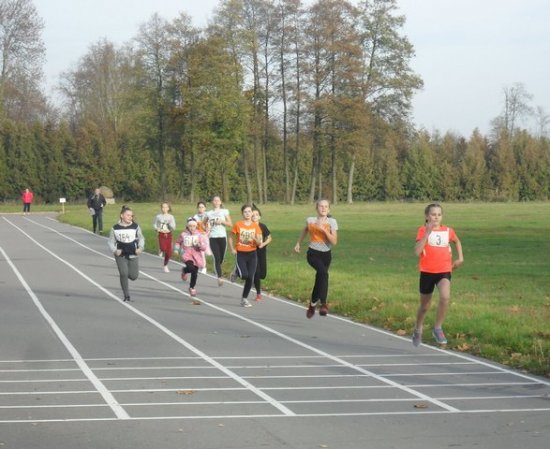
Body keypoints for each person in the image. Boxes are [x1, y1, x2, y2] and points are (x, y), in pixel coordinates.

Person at [412, 203, 464, 347]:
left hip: (444, 270)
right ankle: (418, 328)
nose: (436, 217)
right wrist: (427, 234)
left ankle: (437, 328)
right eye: (433, 214)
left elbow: (457, 241)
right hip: (427, 272)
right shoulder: (422, 230)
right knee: (424, 306)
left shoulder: (448, 231)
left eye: (439, 214)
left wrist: (460, 257)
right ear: (427, 216)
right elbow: (416, 252)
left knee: (445, 297)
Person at [294, 199, 338, 318]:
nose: (323, 208)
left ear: (329, 209)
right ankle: (323, 304)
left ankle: (312, 305)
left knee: (320, 279)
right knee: (324, 273)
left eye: (326, 206)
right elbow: (305, 230)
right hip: (313, 254)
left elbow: (334, 241)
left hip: (326, 255)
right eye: (321, 206)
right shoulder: (310, 220)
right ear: (316, 208)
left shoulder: (332, 222)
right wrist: (298, 243)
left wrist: (324, 230)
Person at [108, 205, 145, 302]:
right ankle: (126, 295)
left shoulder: (135, 227)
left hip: (133, 253)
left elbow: (141, 238)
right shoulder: (115, 228)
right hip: (121, 254)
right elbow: (111, 242)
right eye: (128, 215)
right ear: (122, 216)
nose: (130, 217)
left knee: (133, 276)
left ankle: (128, 272)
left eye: (131, 216)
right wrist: (115, 250)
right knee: (123, 273)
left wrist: (140, 248)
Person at [228, 204, 263, 307]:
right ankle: (236, 272)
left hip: (252, 254)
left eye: (249, 212)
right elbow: (230, 236)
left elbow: (259, 243)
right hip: (241, 254)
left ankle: (244, 299)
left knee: (250, 277)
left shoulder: (256, 226)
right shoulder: (238, 225)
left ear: (252, 213)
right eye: (245, 212)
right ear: (242, 214)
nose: (247, 214)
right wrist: (232, 249)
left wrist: (255, 238)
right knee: (244, 275)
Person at [174, 217, 208, 299]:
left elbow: (204, 246)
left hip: (196, 256)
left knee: (195, 273)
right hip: (187, 254)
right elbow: (178, 242)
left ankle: (192, 287)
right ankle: (185, 270)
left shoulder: (199, 235)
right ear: (187, 226)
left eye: (194, 226)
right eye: (190, 226)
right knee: (191, 268)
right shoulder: (183, 234)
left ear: (196, 226)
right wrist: (176, 249)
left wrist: (200, 246)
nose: (192, 228)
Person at [206, 196, 232, 286]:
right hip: (213, 237)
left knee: (221, 258)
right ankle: (219, 277)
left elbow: (230, 224)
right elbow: (202, 224)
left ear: (220, 202)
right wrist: (207, 227)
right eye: (214, 200)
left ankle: (218, 267)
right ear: (212, 202)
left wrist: (222, 221)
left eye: (218, 200)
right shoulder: (208, 213)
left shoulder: (224, 211)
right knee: (216, 258)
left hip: (222, 237)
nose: (216, 202)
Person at [251, 205, 272, 301]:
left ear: (259, 216)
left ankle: (253, 279)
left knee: (263, 274)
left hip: (262, 251)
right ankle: (258, 294)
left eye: (256, 214)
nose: (254, 216)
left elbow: (269, 238)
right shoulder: (249, 227)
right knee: (257, 272)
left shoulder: (263, 226)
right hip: (252, 252)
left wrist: (263, 244)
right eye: (253, 215)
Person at [153, 202, 176, 273]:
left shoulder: (171, 217)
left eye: (166, 207)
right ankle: (161, 249)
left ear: (168, 208)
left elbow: (174, 226)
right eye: (163, 207)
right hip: (161, 234)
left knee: (169, 252)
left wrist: (170, 225)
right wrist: (157, 228)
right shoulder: (158, 216)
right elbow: (154, 224)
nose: (164, 209)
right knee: (163, 248)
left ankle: (165, 265)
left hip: (168, 234)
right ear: (161, 208)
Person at [193, 201, 211, 274]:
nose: (201, 208)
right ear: (197, 208)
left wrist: (206, 233)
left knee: (208, 253)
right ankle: (204, 267)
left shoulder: (207, 217)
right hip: (197, 237)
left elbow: (209, 227)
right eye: (199, 207)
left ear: (205, 208)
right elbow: (193, 227)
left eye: (202, 207)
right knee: (201, 252)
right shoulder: (195, 217)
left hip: (205, 236)